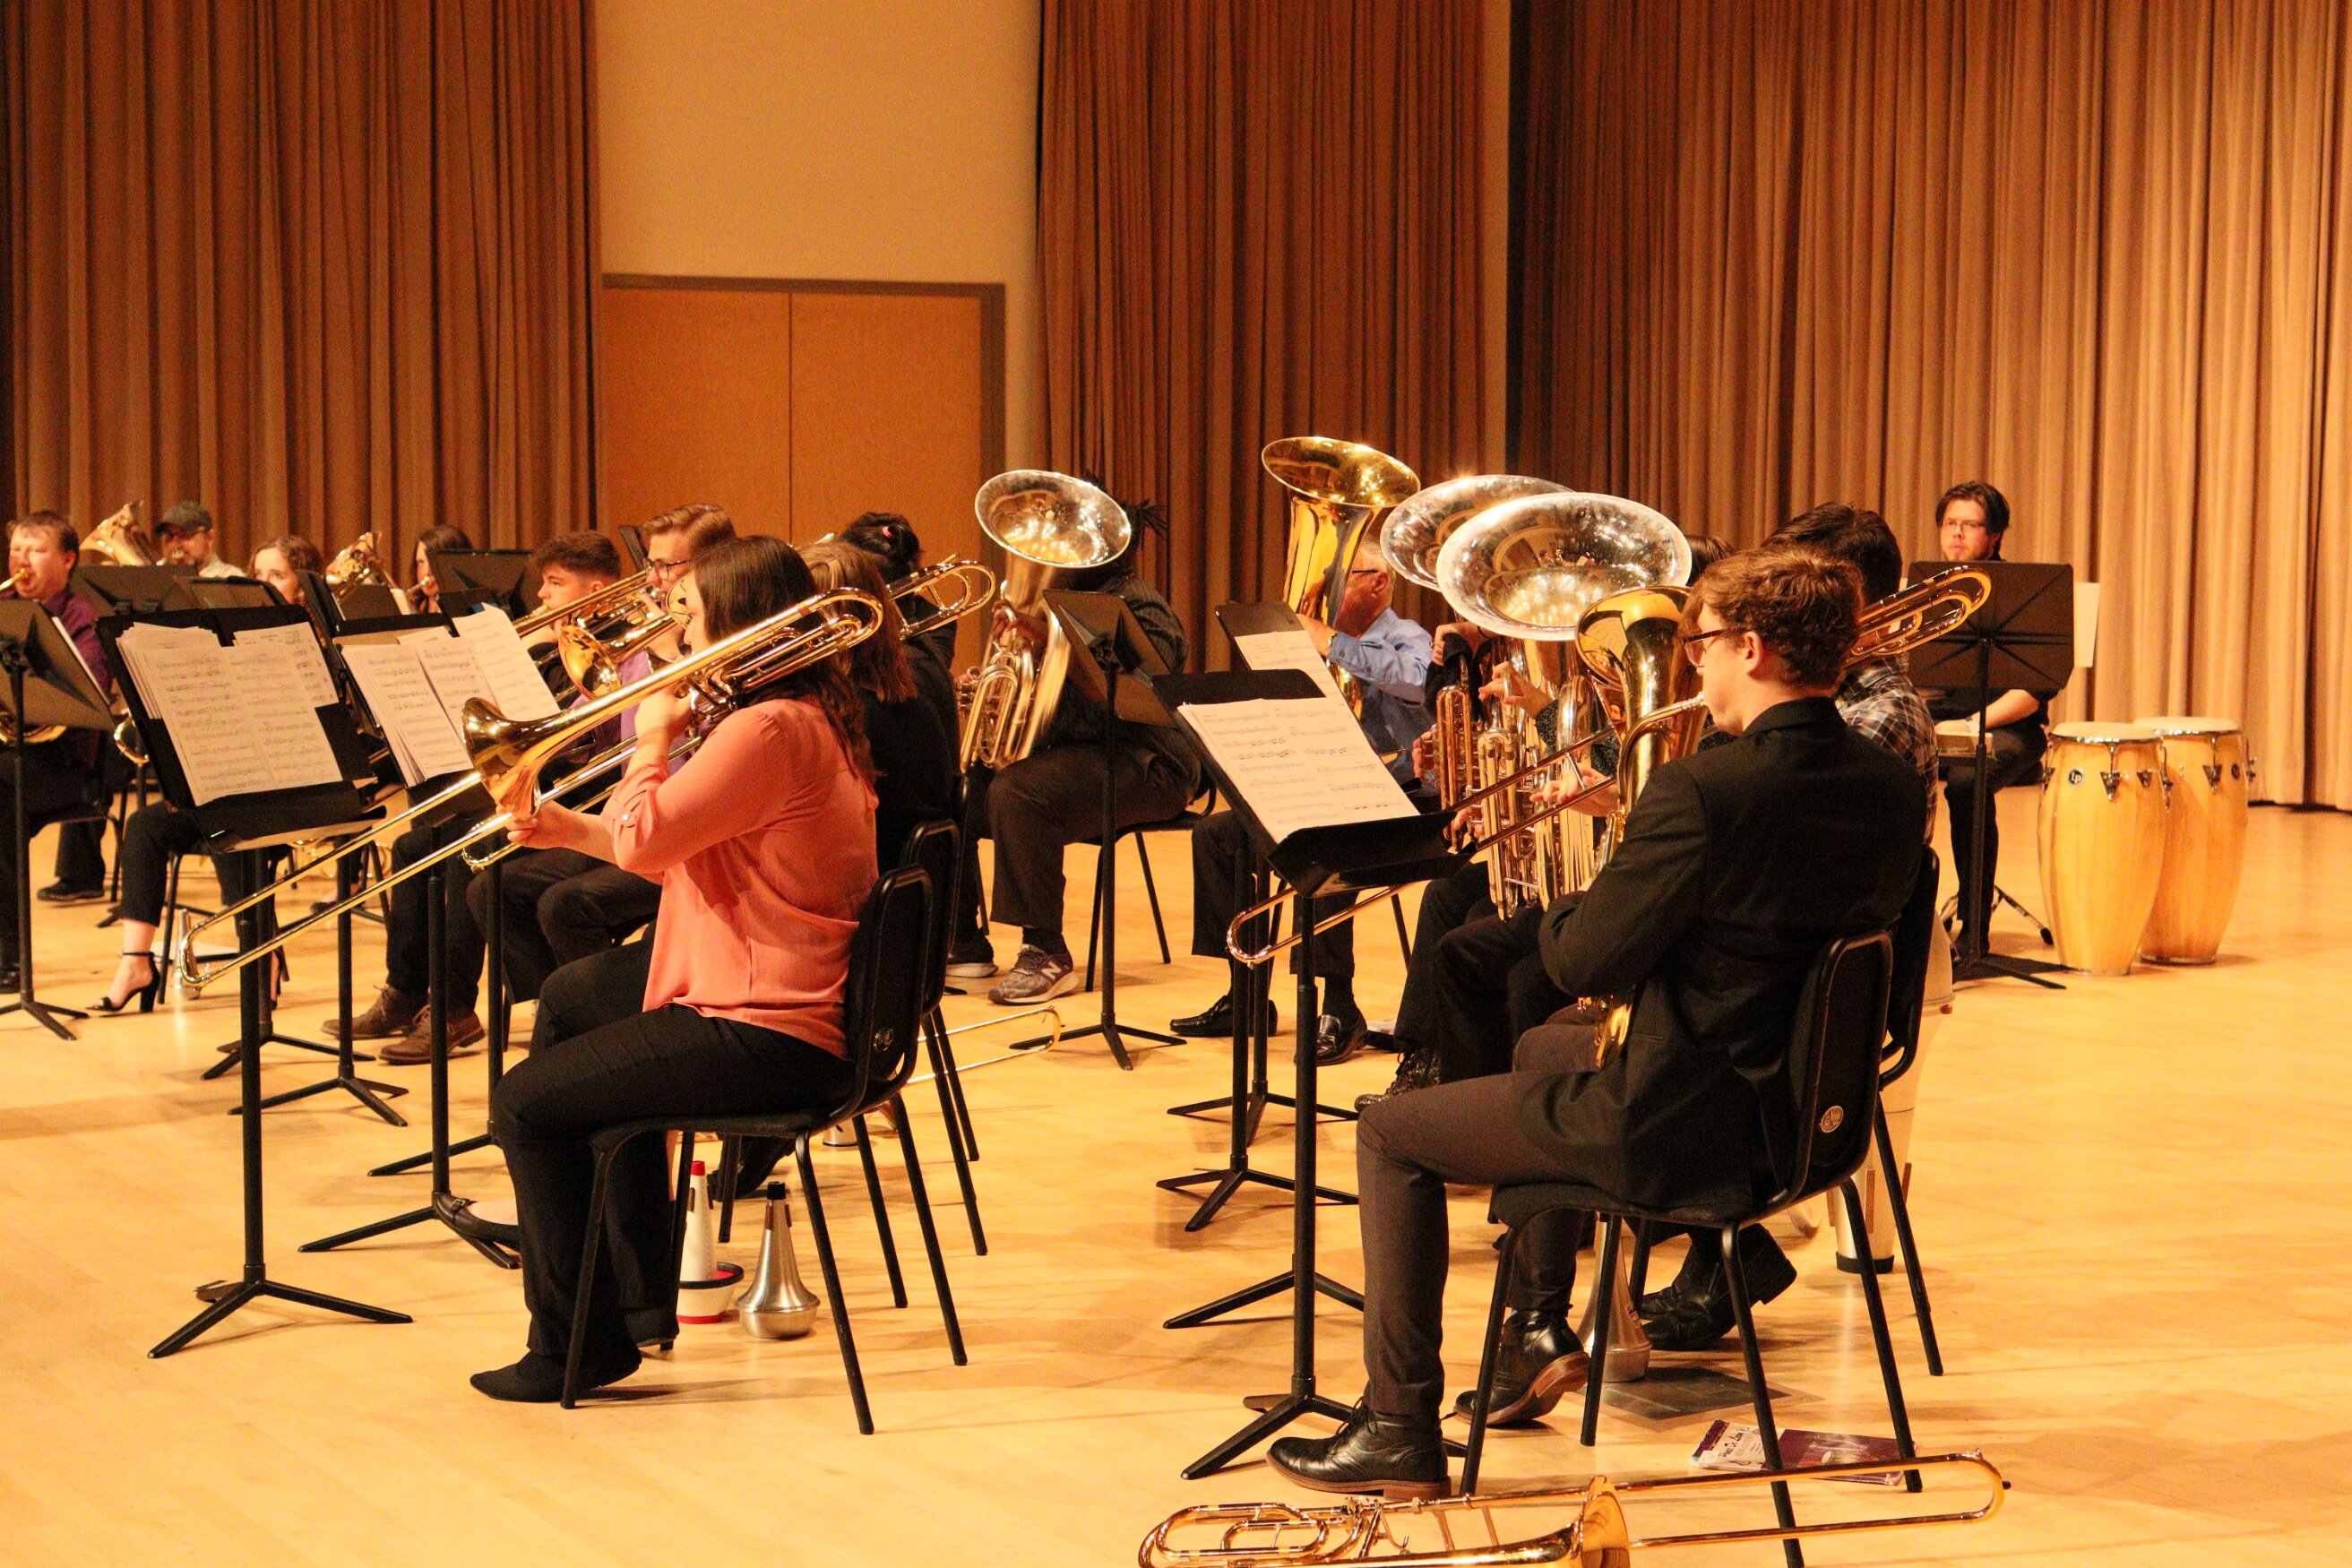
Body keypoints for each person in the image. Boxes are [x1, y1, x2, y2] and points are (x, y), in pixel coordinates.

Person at [1265, 547, 1926, 1497]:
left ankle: (1397, 1426)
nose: (1694, 665)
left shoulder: (1704, 790)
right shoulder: (1891, 785)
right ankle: (1536, 1325)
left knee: (1390, 1132)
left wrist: (1581, 896)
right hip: (1806, 1121)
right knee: (1543, 1047)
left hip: (1678, 1125)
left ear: (1750, 647)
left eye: (1700, 644)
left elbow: (1580, 963)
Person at [465, 536, 880, 1402]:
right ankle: (636, 1299)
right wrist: (569, 830)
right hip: (765, 979)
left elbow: (649, 837)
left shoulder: (766, 728)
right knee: (572, 999)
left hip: (766, 1021)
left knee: (525, 1105)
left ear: (735, 621)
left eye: (688, 614)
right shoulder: (804, 716)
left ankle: (575, 1345)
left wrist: (652, 735)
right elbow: (679, 857)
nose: (676, 632)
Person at [334, 530, 618, 1064]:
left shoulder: (612, 648)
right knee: (414, 845)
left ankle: (454, 1010)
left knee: (467, 848)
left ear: (596, 590)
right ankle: (406, 990)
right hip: (545, 786)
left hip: (585, 801)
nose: (542, 596)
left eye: (555, 583)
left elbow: (589, 743)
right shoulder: (557, 647)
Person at [1172, 534, 1434, 1062]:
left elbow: (1416, 681)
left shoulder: (1407, 635)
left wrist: (1331, 642)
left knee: (1326, 842)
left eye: (1339, 581)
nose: (1326, 592)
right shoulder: (1316, 646)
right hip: (1324, 785)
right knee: (1217, 836)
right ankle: (1247, 993)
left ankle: (1339, 1004)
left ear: (1379, 583)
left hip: (1402, 797)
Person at [470, 517, 732, 1009]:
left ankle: (604, 1018)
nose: (652, 580)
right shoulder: (631, 649)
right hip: (631, 818)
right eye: (650, 565)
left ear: (712, 567)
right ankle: (559, 1013)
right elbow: (581, 735)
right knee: (494, 887)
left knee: (565, 905)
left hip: (683, 835)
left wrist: (670, 661)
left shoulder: (719, 652)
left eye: (666, 566)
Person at [949, 505, 1201, 1006]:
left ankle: (1045, 951)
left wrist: (1054, 644)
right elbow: (1045, 701)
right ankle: (962, 939)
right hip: (1079, 755)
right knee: (958, 788)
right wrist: (994, 692)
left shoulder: (1139, 606)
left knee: (1020, 794)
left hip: (1149, 762)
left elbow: (1143, 695)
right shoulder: (1051, 605)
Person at [89, 538, 325, 1014]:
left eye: (276, 575)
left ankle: (260, 956)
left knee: (230, 823)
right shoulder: (225, 642)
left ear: (302, 587)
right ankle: (136, 962)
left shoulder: (313, 647)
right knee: (145, 826)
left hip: (296, 794)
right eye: (257, 573)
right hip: (231, 785)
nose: (261, 584)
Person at [1924, 480, 2046, 958]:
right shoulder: (1930, 593)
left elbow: (2031, 694)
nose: (1956, 534)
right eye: (1950, 524)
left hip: (2008, 728)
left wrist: (1973, 724)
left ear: (1994, 536)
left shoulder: (2024, 596)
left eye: (1970, 525)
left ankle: (1974, 932)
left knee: (1966, 783)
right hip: (1939, 724)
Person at [0, 513, 114, 986]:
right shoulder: (3, 607)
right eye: (16, 549)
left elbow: (86, 698)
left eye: (36, 549)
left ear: (67, 560)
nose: (21, 560)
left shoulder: (83, 620)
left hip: (66, 765)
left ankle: (8, 957)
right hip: (13, 756)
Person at [154, 501, 245, 580]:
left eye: (185, 535)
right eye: (169, 537)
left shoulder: (232, 579)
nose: (175, 544)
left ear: (209, 537)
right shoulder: (155, 576)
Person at [408, 524, 476, 616]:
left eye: (433, 562)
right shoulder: (414, 610)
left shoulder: (476, 610)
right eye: (421, 562)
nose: (426, 572)